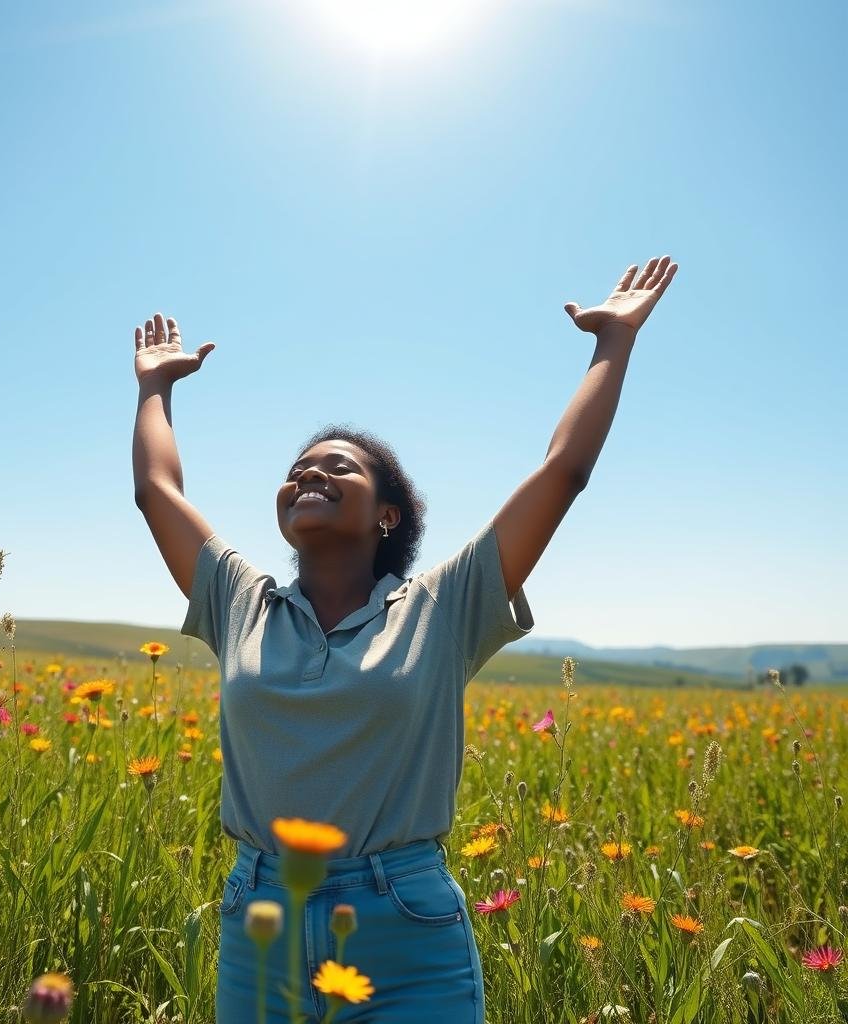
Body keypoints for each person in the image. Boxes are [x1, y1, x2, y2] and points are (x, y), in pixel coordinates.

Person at [131, 256, 678, 1023]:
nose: (307, 475)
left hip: (405, 925)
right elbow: (157, 491)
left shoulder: (443, 606)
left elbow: (564, 471)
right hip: (262, 918)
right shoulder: (239, 601)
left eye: (338, 467)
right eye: (296, 471)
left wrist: (613, 341)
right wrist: (154, 387)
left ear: (388, 514)